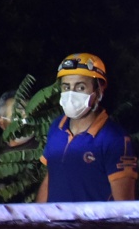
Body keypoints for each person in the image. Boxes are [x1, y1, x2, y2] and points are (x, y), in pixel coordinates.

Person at [36, 52, 137, 202]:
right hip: (56, 225)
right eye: (66, 87)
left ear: (99, 90)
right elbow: (50, 177)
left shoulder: (114, 139)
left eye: (80, 87)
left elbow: (124, 204)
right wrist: (37, 220)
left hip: (93, 226)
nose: (71, 94)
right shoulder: (57, 128)